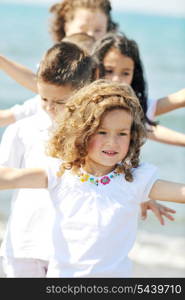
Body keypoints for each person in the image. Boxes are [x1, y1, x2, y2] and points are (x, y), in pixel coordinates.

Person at [0, 79, 184, 278]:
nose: (112, 142)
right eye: (102, 132)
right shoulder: (61, 173)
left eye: (122, 133)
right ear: (82, 132)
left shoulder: (136, 178)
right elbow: (10, 177)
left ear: (132, 136)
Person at [0, 41, 96, 278]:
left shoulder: (95, 134)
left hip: (72, 252)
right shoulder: (22, 129)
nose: (50, 108)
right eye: (44, 99)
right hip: (23, 246)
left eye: (60, 102)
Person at [92, 32, 185, 146]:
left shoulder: (133, 107)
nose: (116, 80)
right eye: (109, 71)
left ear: (134, 75)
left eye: (125, 73)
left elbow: (147, 124)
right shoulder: (84, 104)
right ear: (94, 69)